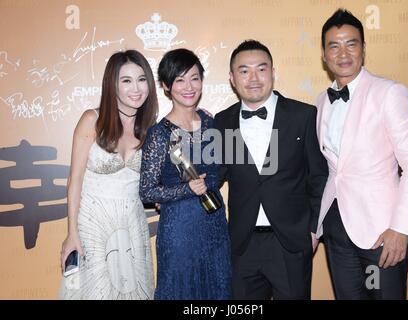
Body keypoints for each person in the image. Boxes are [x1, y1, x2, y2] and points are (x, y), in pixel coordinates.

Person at [315, 9, 408, 300]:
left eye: (351, 43)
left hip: (381, 232)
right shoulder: (320, 102)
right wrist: (316, 226)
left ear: (363, 49)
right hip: (337, 229)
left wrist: (400, 228)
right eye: (334, 45)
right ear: (324, 55)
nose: (343, 53)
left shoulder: (388, 92)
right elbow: (332, 171)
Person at [214, 40, 328, 300]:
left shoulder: (303, 116)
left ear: (273, 73)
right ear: (232, 78)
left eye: (261, 69)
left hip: (290, 243)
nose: (253, 78)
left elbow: (319, 178)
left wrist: (313, 230)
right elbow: (213, 176)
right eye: (244, 71)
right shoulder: (223, 121)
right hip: (242, 245)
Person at [59, 49, 158, 299]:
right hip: (93, 224)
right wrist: (72, 232)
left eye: (142, 79)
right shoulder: (92, 120)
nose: (136, 88)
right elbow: (75, 180)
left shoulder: (150, 129)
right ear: (112, 86)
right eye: (126, 81)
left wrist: (198, 119)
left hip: (132, 224)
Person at [139, 48, 231, 300]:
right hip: (179, 229)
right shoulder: (159, 135)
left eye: (194, 78)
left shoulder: (212, 124)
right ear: (167, 86)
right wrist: (185, 189)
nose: (188, 86)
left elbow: (218, 173)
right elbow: (146, 190)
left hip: (214, 226)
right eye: (179, 80)